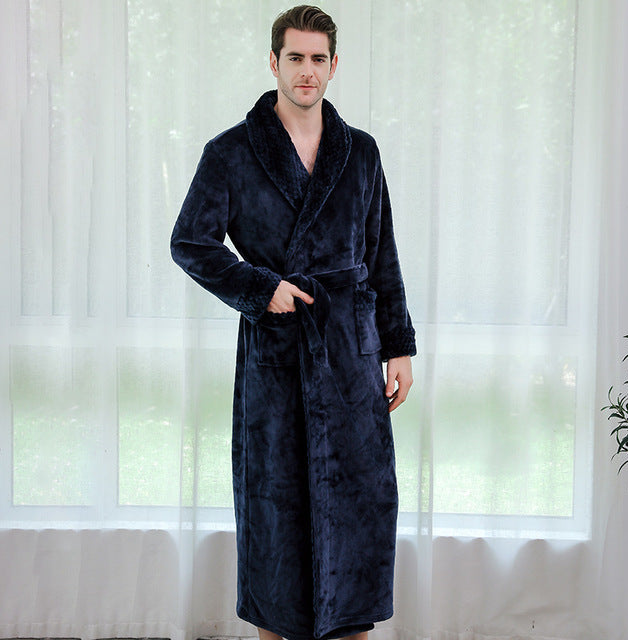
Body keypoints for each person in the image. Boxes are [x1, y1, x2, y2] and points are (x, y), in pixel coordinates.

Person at [170, 5, 417, 640]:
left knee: (357, 506)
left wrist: (398, 346)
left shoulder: (361, 153)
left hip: (350, 352)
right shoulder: (230, 152)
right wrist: (261, 289)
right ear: (274, 62)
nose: (307, 71)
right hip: (275, 354)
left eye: (318, 59)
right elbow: (190, 243)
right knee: (274, 509)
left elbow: (381, 254)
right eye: (295, 57)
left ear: (334, 66)